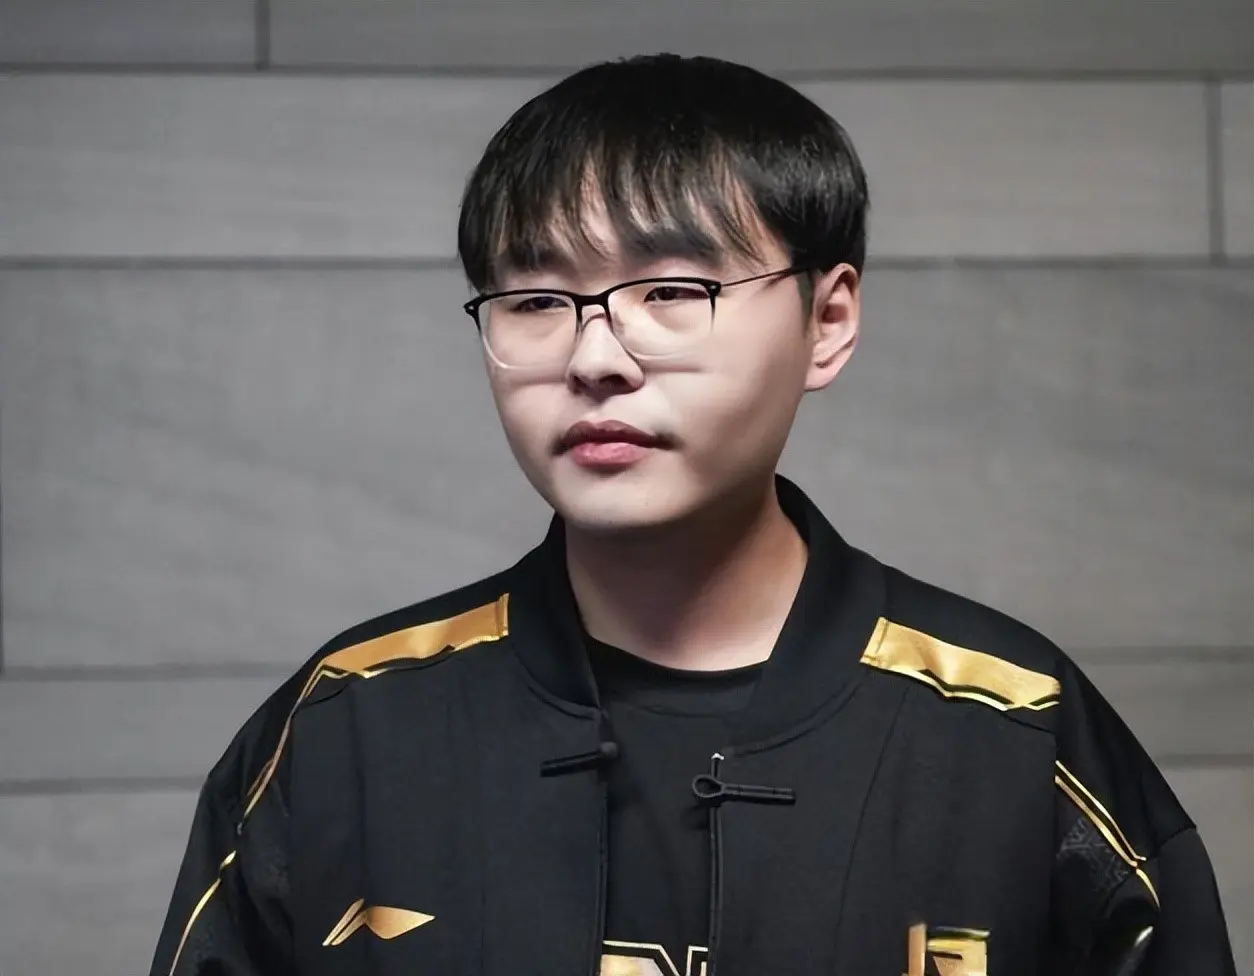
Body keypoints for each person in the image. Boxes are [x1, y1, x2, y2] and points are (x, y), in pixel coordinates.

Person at [150, 54, 1236, 976]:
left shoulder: (1013, 725)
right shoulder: (345, 728)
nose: (595, 357)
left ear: (827, 320)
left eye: (671, 291)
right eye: (536, 300)